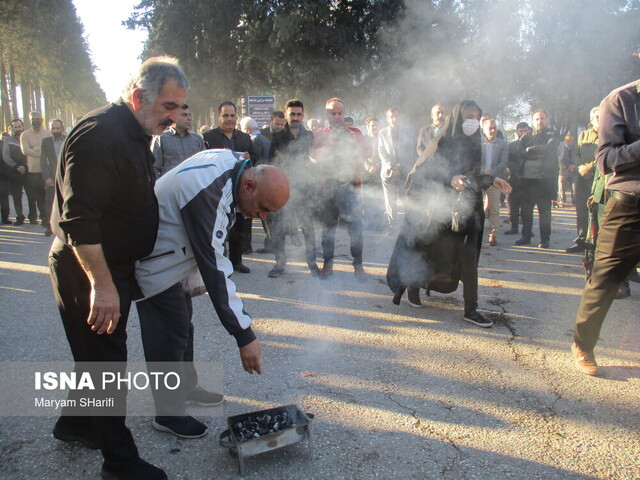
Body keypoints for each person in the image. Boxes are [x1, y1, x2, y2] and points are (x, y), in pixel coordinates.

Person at [48, 56, 189, 480]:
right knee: (106, 364)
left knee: (95, 357)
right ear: (137, 97)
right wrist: (104, 286)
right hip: (88, 269)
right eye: (168, 106)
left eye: (179, 107)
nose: (175, 116)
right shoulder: (101, 134)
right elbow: (79, 220)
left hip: (113, 267)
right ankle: (120, 463)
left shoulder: (137, 132)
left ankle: (75, 425)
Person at [135, 151, 288, 438]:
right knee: (168, 332)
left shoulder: (236, 169)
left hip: (172, 257)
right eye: (264, 208)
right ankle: (167, 414)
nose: (262, 216)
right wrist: (244, 335)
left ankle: (187, 386)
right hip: (153, 260)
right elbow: (214, 266)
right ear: (250, 185)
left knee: (184, 326)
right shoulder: (207, 191)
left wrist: (192, 278)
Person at [386, 100, 511, 328]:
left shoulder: (475, 144)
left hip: (466, 211)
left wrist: (491, 179)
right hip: (437, 212)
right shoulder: (439, 144)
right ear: (457, 118)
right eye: (468, 115)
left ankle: (471, 309)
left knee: (469, 259)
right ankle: (414, 287)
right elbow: (417, 177)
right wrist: (449, 180)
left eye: (476, 116)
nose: (472, 121)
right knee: (428, 252)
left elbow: (471, 177)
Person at [572, 79, 640, 376]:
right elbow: (605, 159)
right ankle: (583, 343)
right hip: (630, 204)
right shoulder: (621, 100)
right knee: (605, 279)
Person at [311, 97, 371, 281]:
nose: (337, 116)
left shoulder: (355, 132)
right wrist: (328, 143)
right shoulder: (320, 134)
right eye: (333, 113)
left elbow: (368, 153)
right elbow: (313, 158)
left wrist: (356, 142)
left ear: (344, 113)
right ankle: (328, 264)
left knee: (356, 228)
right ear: (327, 114)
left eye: (340, 113)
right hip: (328, 189)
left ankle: (358, 265)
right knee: (328, 228)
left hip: (350, 188)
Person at [266, 98, 317, 277]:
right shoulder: (277, 137)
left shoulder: (309, 136)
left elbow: (314, 162)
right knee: (279, 228)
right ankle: (280, 264)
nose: (295, 117)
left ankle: (312, 264)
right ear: (286, 115)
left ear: (303, 115)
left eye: (298, 114)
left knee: (308, 228)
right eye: (292, 114)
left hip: (304, 190)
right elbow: (272, 164)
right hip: (282, 190)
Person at [203, 101, 257, 271]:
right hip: (216, 189)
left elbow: (255, 159)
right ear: (219, 117)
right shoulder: (208, 137)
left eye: (233, 115)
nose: (229, 119)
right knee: (217, 227)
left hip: (238, 189)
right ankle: (219, 263)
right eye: (225, 115)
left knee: (238, 227)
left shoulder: (244, 138)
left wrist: (249, 158)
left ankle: (236, 261)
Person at [515, 110, 560, 248]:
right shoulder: (527, 136)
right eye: (536, 119)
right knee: (526, 211)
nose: (539, 121)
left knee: (544, 212)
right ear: (532, 121)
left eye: (542, 118)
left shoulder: (553, 134)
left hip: (544, 180)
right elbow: (519, 152)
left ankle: (545, 239)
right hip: (527, 180)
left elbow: (549, 149)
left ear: (547, 119)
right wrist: (536, 153)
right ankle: (526, 236)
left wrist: (530, 150)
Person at [565, 109, 599, 253]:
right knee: (581, 211)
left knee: (598, 212)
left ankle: (598, 244)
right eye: (596, 117)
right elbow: (575, 153)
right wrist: (581, 168)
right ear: (591, 120)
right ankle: (582, 240)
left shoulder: (611, 134)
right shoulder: (584, 135)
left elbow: (606, 154)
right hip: (582, 179)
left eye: (601, 116)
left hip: (599, 178)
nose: (599, 119)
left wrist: (589, 168)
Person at [378, 107, 416, 231]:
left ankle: (408, 226)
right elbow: (381, 151)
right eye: (391, 116)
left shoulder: (408, 131)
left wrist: (401, 165)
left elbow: (411, 149)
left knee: (406, 198)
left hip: (404, 171)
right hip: (388, 172)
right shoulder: (382, 133)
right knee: (390, 201)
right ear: (387, 118)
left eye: (396, 116)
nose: (394, 118)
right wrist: (391, 165)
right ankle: (392, 226)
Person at [152, 104, 204, 177]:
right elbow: (154, 167)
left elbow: (204, 165)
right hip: (171, 186)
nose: (189, 118)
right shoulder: (161, 139)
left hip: (193, 186)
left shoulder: (197, 139)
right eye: (184, 115)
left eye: (189, 115)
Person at [481, 118, 509, 246]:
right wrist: (482, 171)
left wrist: (492, 172)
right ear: (484, 129)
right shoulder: (478, 143)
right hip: (479, 178)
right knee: (476, 207)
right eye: (490, 128)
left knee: (494, 208)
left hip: (494, 179)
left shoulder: (503, 144)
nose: (493, 130)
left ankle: (493, 234)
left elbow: (504, 162)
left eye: (495, 128)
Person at [20, 111, 51, 224]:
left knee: (43, 196)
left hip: (45, 170)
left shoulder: (47, 134)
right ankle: (33, 217)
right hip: (32, 170)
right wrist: (40, 151)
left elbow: (49, 151)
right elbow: (25, 150)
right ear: (30, 120)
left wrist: (34, 149)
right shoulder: (25, 135)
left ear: (41, 120)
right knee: (33, 196)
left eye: (38, 118)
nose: (36, 121)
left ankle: (44, 218)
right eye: (33, 119)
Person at [505, 122, 532, 235]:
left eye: (525, 131)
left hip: (529, 179)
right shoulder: (511, 146)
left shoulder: (532, 145)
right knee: (513, 205)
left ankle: (527, 230)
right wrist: (516, 171)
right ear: (517, 132)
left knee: (527, 207)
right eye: (521, 131)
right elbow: (508, 161)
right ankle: (514, 227)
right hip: (514, 179)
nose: (523, 133)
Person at [40, 119, 66, 236]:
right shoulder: (46, 142)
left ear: (62, 128)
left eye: (58, 128)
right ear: (50, 129)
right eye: (53, 128)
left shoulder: (67, 139)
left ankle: (63, 226)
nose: (56, 131)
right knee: (50, 202)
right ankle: (49, 226)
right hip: (52, 176)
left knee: (65, 201)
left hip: (65, 176)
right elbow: (43, 161)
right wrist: (47, 177)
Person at [2, 119, 27, 225]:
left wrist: (26, 166)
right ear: (12, 128)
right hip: (15, 172)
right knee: (17, 196)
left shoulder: (27, 137)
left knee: (32, 195)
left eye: (19, 126)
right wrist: (16, 167)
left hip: (29, 170)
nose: (18, 129)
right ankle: (20, 217)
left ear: (23, 126)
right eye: (15, 127)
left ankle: (35, 217)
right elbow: (6, 156)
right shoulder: (8, 141)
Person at [363, 116, 385, 230]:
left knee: (380, 198)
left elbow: (386, 155)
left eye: (376, 125)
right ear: (367, 127)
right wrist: (368, 167)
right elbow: (359, 155)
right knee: (367, 198)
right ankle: (368, 224)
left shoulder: (384, 139)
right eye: (372, 125)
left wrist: (376, 166)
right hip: (367, 173)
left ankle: (380, 224)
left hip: (380, 172)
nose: (374, 127)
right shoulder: (363, 139)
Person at [557, 134, 576, 208]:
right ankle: (562, 201)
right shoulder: (561, 147)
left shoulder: (575, 148)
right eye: (568, 141)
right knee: (562, 188)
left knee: (575, 187)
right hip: (563, 170)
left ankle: (575, 201)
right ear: (565, 141)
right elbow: (560, 159)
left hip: (573, 170)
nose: (570, 142)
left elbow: (577, 157)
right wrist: (568, 166)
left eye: (572, 141)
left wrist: (574, 166)